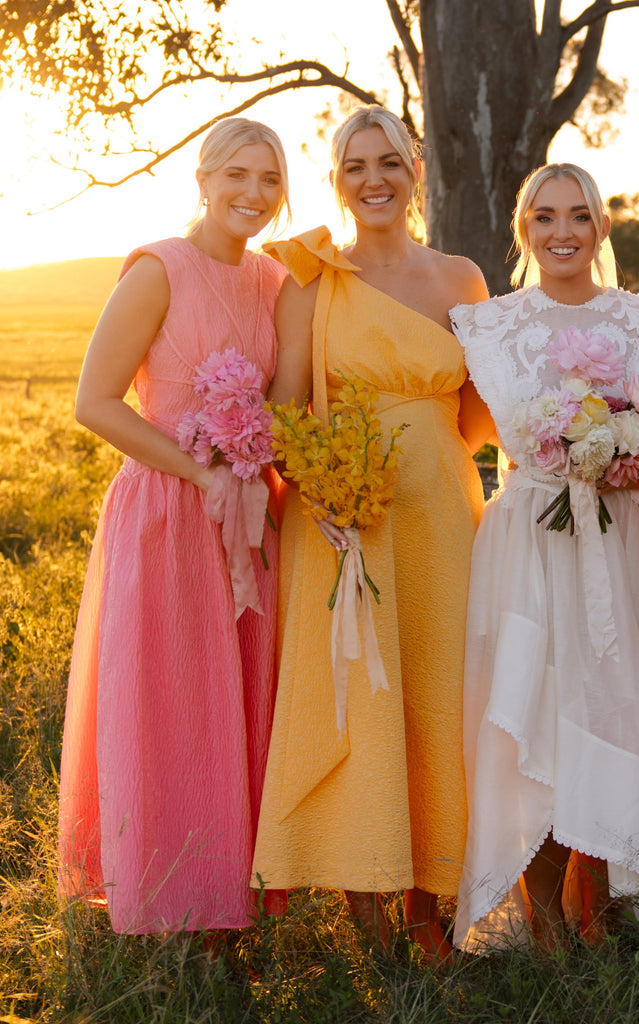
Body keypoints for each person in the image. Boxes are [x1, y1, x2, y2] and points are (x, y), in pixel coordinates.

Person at [449, 163, 639, 954]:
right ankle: (545, 930)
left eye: (579, 216)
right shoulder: (489, 326)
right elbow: (470, 429)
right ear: (525, 230)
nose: (563, 232)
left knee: (616, 711)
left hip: (624, 537)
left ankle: (607, 914)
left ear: (601, 229)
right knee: (536, 715)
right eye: (545, 217)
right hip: (530, 541)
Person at [250, 104, 492, 964]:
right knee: (359, 701)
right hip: (340, 515)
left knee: (439, 698)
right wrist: (324, 488)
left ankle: (432, 912)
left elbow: (475, 418)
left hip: (438, 511)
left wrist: (419, 461)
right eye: (355, 166)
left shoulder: (462, 278)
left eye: (389, 161)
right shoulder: (312, 275)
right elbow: (281, 406)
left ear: (415, 169)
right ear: (338, 180)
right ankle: (366, 917)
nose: (374, 179)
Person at [57, 118, 291, 933]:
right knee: (171, 699)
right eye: (237, 174)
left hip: (251, 516)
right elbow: (94, 402)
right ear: (202, 176)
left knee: (238, 698)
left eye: (269, 179)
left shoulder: (272, 280)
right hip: (166, 507)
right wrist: (197, 470)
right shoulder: (159, 268)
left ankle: (236, 895)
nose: (252, 194)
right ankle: (168, 899)